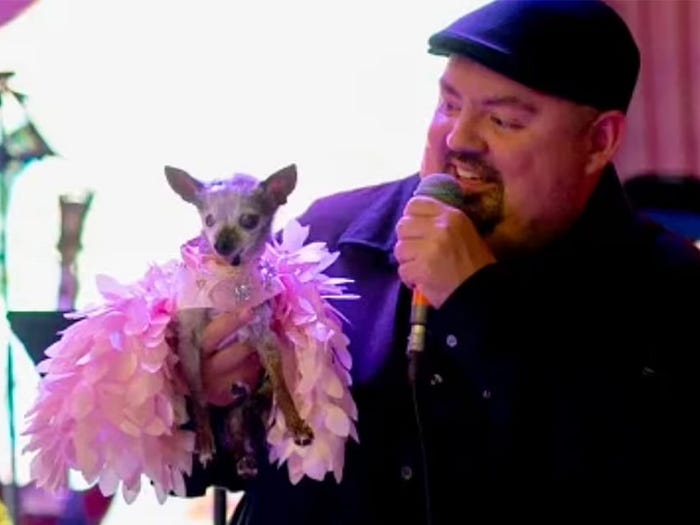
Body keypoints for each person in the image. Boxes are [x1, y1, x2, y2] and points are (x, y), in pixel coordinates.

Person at [187, 0, 700, 522]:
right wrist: (203, 396)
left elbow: (628, 478)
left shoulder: (669, 291)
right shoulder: (328, 239)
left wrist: (478, 304)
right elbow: (204, 468)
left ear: (598, 142)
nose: (458, 139)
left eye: (503, 120)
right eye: (450, 106)